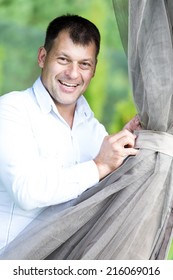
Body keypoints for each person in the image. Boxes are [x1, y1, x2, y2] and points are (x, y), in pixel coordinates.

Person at [0, 14, 140, 251]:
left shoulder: (94, 130)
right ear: (42, 57)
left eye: (84, 64)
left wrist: (120, 147)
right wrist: (99, 166)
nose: (73, 74)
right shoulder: (12, 109)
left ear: (93, 69)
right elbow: (26, 192)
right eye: (64, 59)